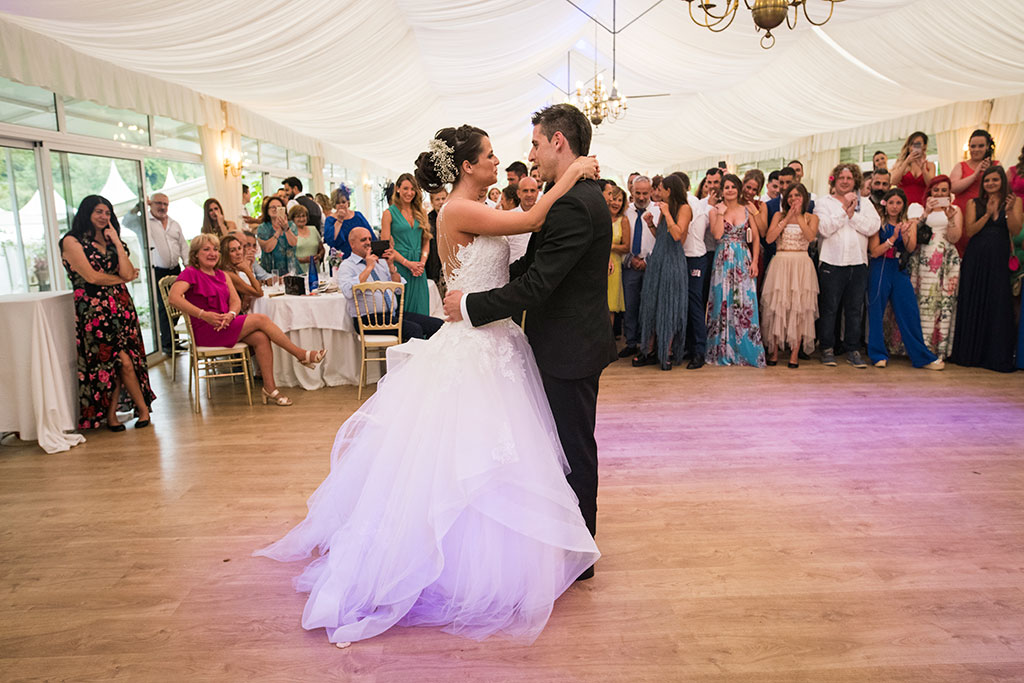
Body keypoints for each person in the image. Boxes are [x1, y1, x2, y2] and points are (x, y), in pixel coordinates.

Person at [256, 117, 603, 647]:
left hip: (498, 338)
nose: (499, 159)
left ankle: (530, 545)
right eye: (489, 155)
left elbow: (528, 238)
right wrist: (573, 172)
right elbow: (534, 217)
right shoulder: (459, 209)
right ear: (467, 166)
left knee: (511, 449)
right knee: (471, 451)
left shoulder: (481, 209)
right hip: (478, 338)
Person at [170, 234, 325, 406]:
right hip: (207, 329)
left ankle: (270, 389)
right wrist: (203, 314)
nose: (212, 253)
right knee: (261, 319)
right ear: (196, 254)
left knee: (260, 337)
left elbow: (235, 301)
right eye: (206, 250)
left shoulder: (222, 275)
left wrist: (231, 314)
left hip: (225, 324)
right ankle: (301, 354)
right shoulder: (190, 273)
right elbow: (174, 298)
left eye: (215, 249)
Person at [60, 195, 155, 431]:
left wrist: (115, 243)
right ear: (87, 213)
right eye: (99, 212)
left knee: (125, 361)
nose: (104, 217)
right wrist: (121, 279)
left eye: (107, 212)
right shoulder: (71, 241)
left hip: (121, 307)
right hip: (94, 310)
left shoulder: (111, 238)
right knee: (114, 362)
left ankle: (112, 415)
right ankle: (142, 410)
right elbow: (91, 277)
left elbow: (127, 269)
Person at [951, 166, 1022, 372]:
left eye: (995, 180)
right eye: (987, 180)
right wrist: (988, 214)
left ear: (1002, 181)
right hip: (977, 256)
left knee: (998, 301)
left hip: (999, 256)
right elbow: (971, 230)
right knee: (975, 299)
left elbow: (1016, 231)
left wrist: (1007, 212)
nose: (991, 184)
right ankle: (970, 353)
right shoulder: (975, 202)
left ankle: (995, 355)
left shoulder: (1014, 202)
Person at [866, 189, 943, 370]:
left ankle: (922, 357)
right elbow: (875, 251)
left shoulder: (910, 223)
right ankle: (877, 354)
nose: (894, 206)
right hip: (880, 267)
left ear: (903, 205)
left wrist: (906, 234)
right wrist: (893, 238)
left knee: (909, 311)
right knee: (876, 311)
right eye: (891, 202)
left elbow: (910, 248)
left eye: (898, 203)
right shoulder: (878, 223)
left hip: (899, 268)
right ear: (886, 204)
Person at [815, 163, 879, 368]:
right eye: (841, 178)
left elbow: (872, 227)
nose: (845, 181)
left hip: (858, 263)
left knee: (854, 310)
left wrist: (853, 215)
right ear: (834, 180)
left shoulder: (866, 203)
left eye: (849, 178)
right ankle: (827, 348)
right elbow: (824, 229)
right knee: (829, 308)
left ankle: (853, 349)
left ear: (855, 182)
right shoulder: (823, 202)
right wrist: (844, 211)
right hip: (831, 263)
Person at [336, 227, 443, 340]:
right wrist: (369, 268)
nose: (368, 242)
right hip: (367, 319)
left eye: (369, 239)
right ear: (352, 244)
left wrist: (391, 267)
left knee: (437, 325)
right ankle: (412, 357)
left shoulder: (381, 262)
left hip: (393, 314)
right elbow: (348, 292)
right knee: (414, 329)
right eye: (363, 240)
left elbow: (399, 289)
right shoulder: (347, 266)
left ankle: (429, 356)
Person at [705, 174, 765, 367]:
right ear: (721, 190)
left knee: (744, 302)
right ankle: (721, 350)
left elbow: (756, 238)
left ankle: (745, 350)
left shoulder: (747, 209)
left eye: (733, 186)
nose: (729, 190)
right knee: (721, 301)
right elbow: (716, 234)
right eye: (726, 187)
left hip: (742, 257)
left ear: (738, 189)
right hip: (723, 258)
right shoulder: (715, 211)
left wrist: (755, 262)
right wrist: (721, 213)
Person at [762, 183, 819, 368]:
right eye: (790, 196)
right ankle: (775, 350)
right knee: (778, 306)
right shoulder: (778, 215)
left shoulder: (812, 217)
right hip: (781, 261)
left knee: (800, 307)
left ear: (804, 197)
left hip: (801, 264)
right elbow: (770, 238)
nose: (794, 199)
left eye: (798, 195)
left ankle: (795, 352)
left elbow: (810, 238)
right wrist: (787, 219)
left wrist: (798, 217)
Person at [637, 174, 691, 370]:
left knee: (669, 305)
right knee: (652, 303)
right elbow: (662, 236)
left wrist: (667, 214)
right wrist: (651, 224)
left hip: (673, 261)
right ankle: (649, 350)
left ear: (670, 190)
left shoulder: (683, 208)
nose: (657, 193)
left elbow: (677, 235)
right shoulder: (663, 208)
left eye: (660, 189)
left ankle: (667, 352)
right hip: (658, 259)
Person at [908, 175, 962, 359]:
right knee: (922, 301)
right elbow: (912, 233)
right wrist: (926, 214)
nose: (939, 193)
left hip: (946, 260)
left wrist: (951, 219)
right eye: (936, 190)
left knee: (942, 302)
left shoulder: (955, 210)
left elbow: (955, 238)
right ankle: (920, 346)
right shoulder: (919, 208)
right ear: (930, 191)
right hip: (923, 258)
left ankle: (938, 348)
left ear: (949, 193)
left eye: (943, 191)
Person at [619, 176, 660, 359]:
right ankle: (631, 342)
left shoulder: (659, 212)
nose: (642, 197)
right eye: (638, 193)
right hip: (629, 265)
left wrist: (647, 262)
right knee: (630, 305)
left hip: (651, 265)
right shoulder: (625, 212)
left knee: (648, 306)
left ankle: (646, 344)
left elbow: (661, 240)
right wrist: (631, 260)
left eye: (645, 193)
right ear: (631, 192)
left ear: (651, 192)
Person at [381, 173, 431, 316]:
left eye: (413, 189)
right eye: (405, 188)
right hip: (400, 266)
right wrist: (408, 264)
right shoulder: (389, 213)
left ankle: (422, 337)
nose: (409, 193)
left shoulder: (421, 212)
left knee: (421, 307)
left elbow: (426, 241)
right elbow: (386, 246)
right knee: (403, 310)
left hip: (419, 268)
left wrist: (422, 263)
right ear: (397, 189)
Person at [145, 191, 189, 354]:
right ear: (151, 204)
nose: (162, 207)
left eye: (165, 204)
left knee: (176, 304)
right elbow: (128, 220)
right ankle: (166, 343)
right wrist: (141, 205)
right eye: (158, 203)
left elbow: (183, 245)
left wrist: (187, 266)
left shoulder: (174, 223)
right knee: (164, 306)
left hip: (175, 269)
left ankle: (173, 340)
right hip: (157, 271)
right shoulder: (145, 222)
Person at [950, 129, 999, 257]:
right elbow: (953, 187)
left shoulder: (996, 165)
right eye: (973, 146)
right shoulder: (960, 166)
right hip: (961, 213)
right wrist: (975, 174)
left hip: (985, 213)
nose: (976, 149)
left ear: (987, 146)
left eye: (981, 146)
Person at [323, 186, 375, 259]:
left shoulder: (358, 216)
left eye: (343, 202)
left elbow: (371, 236)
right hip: (340, 258)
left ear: (348, 202)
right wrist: (339, 221)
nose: (341, 205)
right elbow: (331, 241)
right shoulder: (330, 220)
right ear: (334, 204)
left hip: (361, 256)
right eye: (338, 203)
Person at [219, 233, 263, 313]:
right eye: (232, 250)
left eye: (239, 248)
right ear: (225, 254)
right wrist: (247, 270)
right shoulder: (228, 274)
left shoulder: (233, 269)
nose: (238, 253)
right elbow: (259, 292)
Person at [604, 183, 628, 328]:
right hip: (599, 263)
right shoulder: (602, 217)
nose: (616, 203)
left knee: (611, 306)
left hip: (615, 266)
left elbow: (626, 246)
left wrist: (608, 245)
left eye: (620, 200)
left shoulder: (623, 220)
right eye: (614, 199)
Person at [890, 131, 935, 207]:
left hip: (924, 204)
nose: (915, 147)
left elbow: (931, 185)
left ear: (924, 146)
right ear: (909, 147)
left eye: (918, 144)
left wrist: (923, 169)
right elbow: (893, 181)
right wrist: (906, 162)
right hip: (903, 205)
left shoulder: (930, 165)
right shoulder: (900, 163)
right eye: (912, 144)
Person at [256, 196, 297, 274]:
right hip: (270, 270)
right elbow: (267, 248)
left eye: (279, 207)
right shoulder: (263, 227)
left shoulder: (291, 225)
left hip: (290, 269)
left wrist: (286, 228)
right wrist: (279, 230)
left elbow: (293, 243)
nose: (275, 209)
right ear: (267, 210)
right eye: (272, 207)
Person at [508, 176, 540, 264]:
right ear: (518, 193)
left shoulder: (544, 216)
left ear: (537, 193)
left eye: (532, 191)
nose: (529, 194)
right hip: (514, 272)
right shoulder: (509, 217)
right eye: (525, 191)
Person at [289, 204, 323, 275]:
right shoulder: (290, 233)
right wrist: (303, 260)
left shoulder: (313, 229)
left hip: (315, 269)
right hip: (298, 271)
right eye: (298, 216)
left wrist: (319, 256)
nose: (301, 219)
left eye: (303, 216)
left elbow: (321, 249)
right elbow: (288, 256)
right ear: (292, 219)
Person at [425, 187, 447, 293]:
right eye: (437, 199)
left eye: (443, 198)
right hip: (434, 266)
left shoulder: (453, 217)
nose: (441, 202)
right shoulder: (427, 221)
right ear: (432, 202)